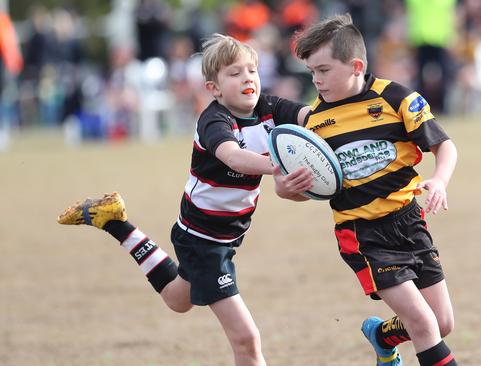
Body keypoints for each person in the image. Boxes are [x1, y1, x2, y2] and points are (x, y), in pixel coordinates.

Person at [57, 34, 311, 366]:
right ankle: (116, 223)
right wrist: (279, 165)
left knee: (179, 299)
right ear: (214, 89)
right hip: (202, 239)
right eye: (234, 73)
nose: (247, 78)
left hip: (225, 236)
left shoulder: (270, 108)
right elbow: (234, 157)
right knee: (246, 340)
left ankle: (116, 223)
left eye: (252, 70)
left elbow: (312, 116)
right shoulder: (214, 120)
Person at [280, 13, 459, 366]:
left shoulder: (398, 100)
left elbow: (445, 146)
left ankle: (380, 335)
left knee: (441, 323)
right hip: (363, 234)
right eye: (311, 72)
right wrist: (288, 189)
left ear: (356, 65)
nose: (316, 80)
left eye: (324, 70)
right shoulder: (315, 124)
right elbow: (307, 187)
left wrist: (439, 180)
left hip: (409, 221)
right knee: (423, 324)